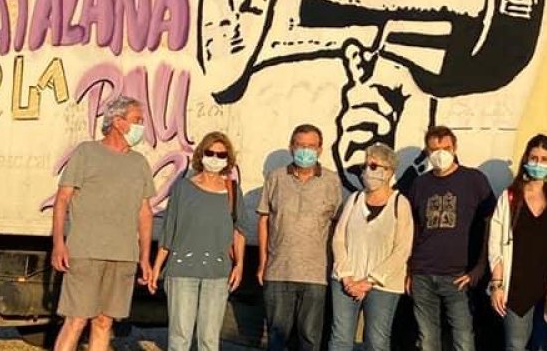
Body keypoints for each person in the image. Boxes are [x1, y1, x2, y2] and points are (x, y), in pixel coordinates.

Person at [50, 95, 156, 351]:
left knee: (104, 322)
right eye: (137, 120)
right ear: (118, 122)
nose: (142, 126)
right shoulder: (87, 152)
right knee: (76, 320)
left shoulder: (139, 163)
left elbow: (145, 212)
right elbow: (62, 199)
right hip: (86, 252)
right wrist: (58, 244)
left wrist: (144, 257)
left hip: (123, 256)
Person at [146, 132, 245, 351]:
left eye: (221, 154)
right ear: (201, 154)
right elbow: (169, 230)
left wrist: (239, 265)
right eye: (210, 152)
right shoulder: (183, 188)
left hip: (217, 273)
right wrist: (156, 268)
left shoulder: (232, 191)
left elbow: (239, 231)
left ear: (228, 159)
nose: (215, 158)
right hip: (181, 271)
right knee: (180, 338)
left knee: (209, 340)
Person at [406, 125, 496, 351]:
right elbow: (413, 228)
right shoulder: (420, 184)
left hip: (459, 276)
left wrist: (480, 267)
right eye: (434, 149)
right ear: (427, 152)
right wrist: (409, 269)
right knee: (427, 339)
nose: (440, 154)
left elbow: (491, 224)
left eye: (445, 148)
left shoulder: (474, 180)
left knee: (464, 340)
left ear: (455, 148)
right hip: (423, 274)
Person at [257, 124, 342, 351]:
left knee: (310, 340)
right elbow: (264, 220)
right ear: (291, 147)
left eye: (311, 146)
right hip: (279, 271)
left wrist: (334, 264)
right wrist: (263, 262)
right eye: (301, 145)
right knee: (276, 339)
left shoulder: (331, 181)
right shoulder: (275, 178)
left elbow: (337, 225)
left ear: (320, 149)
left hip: (316, 275)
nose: (306, 151)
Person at [488, 134, 547, 351]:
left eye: (544, 159)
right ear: (525, 160)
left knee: (545, 346)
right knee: (515, 345)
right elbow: (495, 242)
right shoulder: (511, 197)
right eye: (534, 158)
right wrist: (497, 285)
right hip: (516, 288)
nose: (538, 163)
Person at [329, 144, 414, 351]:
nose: (368, 171)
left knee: (376, 341)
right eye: (366, 166)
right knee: (340, 338)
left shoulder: (400, 203)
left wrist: (369, 281)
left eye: (374, 166)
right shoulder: (355, 199)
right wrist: (347, 275)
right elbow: (339, 237)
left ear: (389, 171)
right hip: (346, 280)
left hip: (383, 284)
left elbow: (402, 249)